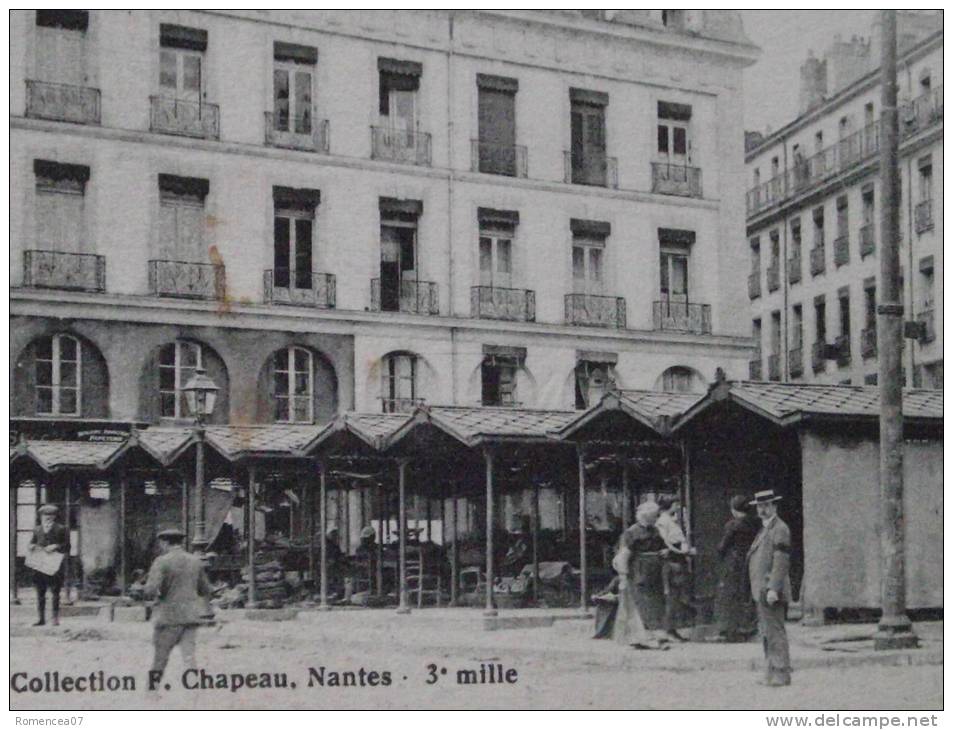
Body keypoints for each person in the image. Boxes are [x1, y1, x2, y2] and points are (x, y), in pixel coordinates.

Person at [143, 528, 211, 682]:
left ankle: (152, 692)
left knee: (160, 658)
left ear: (165, 543)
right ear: (181, 542)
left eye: (161, 543)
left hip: (168, 618)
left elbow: (151, 589)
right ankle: (194, 692)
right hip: (191, 616)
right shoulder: (195, 561)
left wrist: (152, 594)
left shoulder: (161, 561)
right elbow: (205, 589)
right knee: (189, 658)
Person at [747, 490, 793, 687]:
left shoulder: (779, 528)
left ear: (774, 506)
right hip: (761, 589)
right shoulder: (765, 528)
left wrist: (774, 587)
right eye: (759, 506)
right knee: (767, 633)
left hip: (771, 589)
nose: (762, 510)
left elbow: (781, 560)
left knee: (775, 632)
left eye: (766, 505)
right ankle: (770, 671)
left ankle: (781, 673)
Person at [611, 501, 669, 649]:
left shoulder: (655, 530)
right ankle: (645, 637)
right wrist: (623, 576)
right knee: (642, 604)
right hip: (639, 571)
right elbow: (623, 555)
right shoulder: (631, 533)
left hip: (654, 572)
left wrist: (665, 551)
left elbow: (662, 546)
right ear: (646, 516)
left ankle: (653, 636)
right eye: (654, 516)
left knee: (655, 603)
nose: (656, 519)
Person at [713, 495, 760, 642]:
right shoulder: (756, 523)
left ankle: (729, 631)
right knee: (747, 594)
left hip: (733, 564)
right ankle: (748, 628)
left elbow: (722, 546)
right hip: (750, 561)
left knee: (729, 596)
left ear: (734, 510)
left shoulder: (733, 525)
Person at [655, 495, 695, 642]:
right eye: (674, 504)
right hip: (672, 560)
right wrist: (679, 551)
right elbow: (665, 541)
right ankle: (668, 630)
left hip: (677, 558)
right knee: (672, 596)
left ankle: (672, 629)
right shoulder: (663, 522)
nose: (677, 506)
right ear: (670, 505)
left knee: (676, 596)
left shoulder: (671, 520)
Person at [29, 504, 70, 627]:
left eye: (50, 516)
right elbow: (32, 542)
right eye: (45, 516)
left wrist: (56, 546)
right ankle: (41, 618)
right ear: (41, 517)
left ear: (54, 517)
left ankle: (55, 619)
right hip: (40, 564)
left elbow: (67, 546)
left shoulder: (62, 529)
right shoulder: (37, 529)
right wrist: (31, 546)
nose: (47, 518)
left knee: (55, 592)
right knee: (40, 593)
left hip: (54, 565)